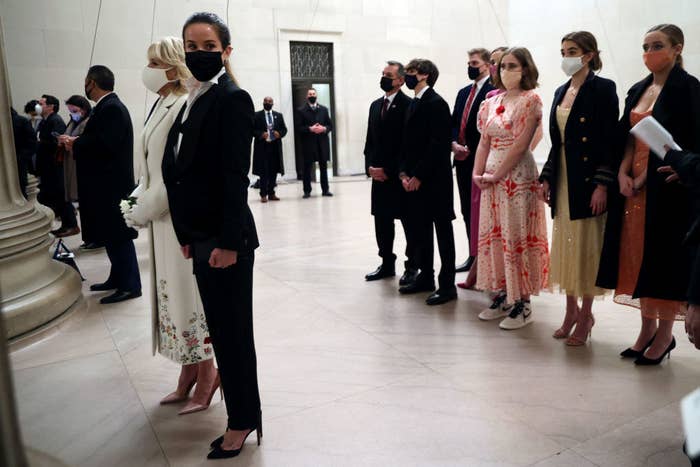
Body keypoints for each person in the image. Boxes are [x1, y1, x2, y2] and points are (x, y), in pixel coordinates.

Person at [162, 12, 261, 459]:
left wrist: (225, 242)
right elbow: (184, 172)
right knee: (220, 331)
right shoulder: (195, 96)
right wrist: (188, 233)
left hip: (227, 240)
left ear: (225, 50)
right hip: (201, 235)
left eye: (208, 46)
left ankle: (242, 420)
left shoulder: (232, 98)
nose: (199, 53)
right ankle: (241, 413)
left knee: (233, 333)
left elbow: (233, 178)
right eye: (191, 46)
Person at [123, 36, 218, 415]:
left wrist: (141, 208)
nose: (147, 68)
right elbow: (148, 167)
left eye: (153, 61)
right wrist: (133, 201)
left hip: (178, 221)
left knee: (189, 297)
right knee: (172, 298)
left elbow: (176, 173)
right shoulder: (161, 102)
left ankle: (208, 373)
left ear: (171, 64)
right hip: (160, 221)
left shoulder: (182, 104)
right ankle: (188, 372)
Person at [597, 24, 700, 364]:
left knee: (663, 259)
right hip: (634, 187)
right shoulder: (638, 88)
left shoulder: (688, 88)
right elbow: (629, 135)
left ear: (677, 48)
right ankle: (645, 329)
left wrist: (645, 176)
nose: (649, 52)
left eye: (657, 45)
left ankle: (665, 335)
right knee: (636, 257)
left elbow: (690, 141)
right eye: (645, 45)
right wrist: (625, 172)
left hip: (666, 186)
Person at [538, 31, 619, 345]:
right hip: (563, 181)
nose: (566, 56)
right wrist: (546, 177)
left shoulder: (603, 88)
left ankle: (586, 315)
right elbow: (557, 142)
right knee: (566, 247)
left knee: (586, 249)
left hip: (586, 182)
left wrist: (602, 184)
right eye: (563, 50)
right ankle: (570, 310)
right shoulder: (561, 90)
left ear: (588, 55)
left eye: (572, 50)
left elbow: (609, 141)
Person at [473, 47, 549, 330]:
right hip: (491, 173)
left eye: (512, 65)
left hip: (516, 175)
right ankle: (505, 293)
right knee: (495, 234)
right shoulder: (493, 101)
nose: (505, 70)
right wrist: (478, 172)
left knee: (516, 233)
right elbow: (483, 141)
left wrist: (497, 174)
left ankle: (523, 302)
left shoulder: (531, 100)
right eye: (502, 65)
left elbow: (520, 145)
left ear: (526, 69)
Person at [62, 65, 142, 304]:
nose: (85, 87)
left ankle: (130, 285)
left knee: (119, 236)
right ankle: (117, 278)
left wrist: (76, 144)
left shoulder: (112, 108)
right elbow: (98, 141)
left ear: (92, 82)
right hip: (105, 185)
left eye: (86, 82)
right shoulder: (105, 108)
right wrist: (78, 141)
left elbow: (105, 145)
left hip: (113, 186)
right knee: (110, 235)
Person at [398, 58, 457, 306]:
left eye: (410, 72)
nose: (407, 76)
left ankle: (447, 285)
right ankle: (426, 276)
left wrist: (418, 175)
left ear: (424, 75)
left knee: (443, 232)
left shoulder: (437, 103)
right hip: (414, 180)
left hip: (434, 181)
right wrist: (403, 173)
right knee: (421, 231)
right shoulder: (414, 103)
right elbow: (406, 143)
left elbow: (438, 145)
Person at [363, 60, 416, 284]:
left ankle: (412, 265)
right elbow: (370, 141)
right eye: (383, 73)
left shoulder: (408, 105)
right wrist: (370, 167)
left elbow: (408, 144)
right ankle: (386, 262)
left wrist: (391, 170)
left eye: (389, 75)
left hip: (398, 175)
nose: (384, 78)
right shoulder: (375, 105)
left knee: (408, 222)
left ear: (401, 80)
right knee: (382, 221)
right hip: (378, 176)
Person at [451, 48, 495, 287]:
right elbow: (454, 121)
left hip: (483, 160)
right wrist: (454, 144)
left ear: (488, 65)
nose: (471, 66)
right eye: (469, 62)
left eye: (475, 63)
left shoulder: (492, 92)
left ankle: (484, 259)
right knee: (468, 210)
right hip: (462, 159)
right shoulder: (463, 92)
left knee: (482, 212)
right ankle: (472, 255)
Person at [52, 95, 91, 238]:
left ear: (83, 108)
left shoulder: (88, 121)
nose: (72, 113)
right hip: (70, 163)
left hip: (81, 164)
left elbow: (86, 142)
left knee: (86, 200)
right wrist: (62, 140)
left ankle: (90, 235)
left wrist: (71, 141)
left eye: (74, 110)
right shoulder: (73, 122)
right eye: (70, 111)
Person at [296, 88, 333, 198]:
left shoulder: (324, 109)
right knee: (307, 168)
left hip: (322, 143)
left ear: (316, 96)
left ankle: (325, 190)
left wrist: (324, 128)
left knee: (323, 168)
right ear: (307, 97)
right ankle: (307, 191)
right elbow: (298, 128)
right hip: (308, 144)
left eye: (313, 94)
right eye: (310, 94)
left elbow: (330, 125)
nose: (312, 95)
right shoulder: (301, 110)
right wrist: (310, 129)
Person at [35, 94, 67, 221]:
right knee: (48, 189)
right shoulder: (44, 121)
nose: (38, 106)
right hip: (46, 163)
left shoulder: (55, 120)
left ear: (51, 107)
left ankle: (57, 213)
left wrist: (40, 142)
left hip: (53, 164)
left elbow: (57, 143)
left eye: (41, 104)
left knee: (55, 190)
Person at [252, 96, 287, 202]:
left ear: (273, 103)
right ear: (263, 103)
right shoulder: (257, 115)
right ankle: (263, 194)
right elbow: (252, 130)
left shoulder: (278, 116)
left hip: (275, 147)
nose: (267, 103)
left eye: (270, 102)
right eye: (266, 101)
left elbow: (284, 129)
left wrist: (279, 134)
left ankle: (271, 193)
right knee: (263, 172)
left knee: (273, 171)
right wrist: (261, 134)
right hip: (262, 147)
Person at [10, 107, 36, 197]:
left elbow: (32, 142)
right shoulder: (22, 120)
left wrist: (22, 157)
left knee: (20, 190)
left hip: (19, 160)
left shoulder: (21, 121)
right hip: (19, 159)